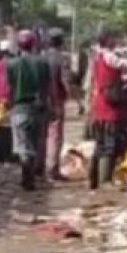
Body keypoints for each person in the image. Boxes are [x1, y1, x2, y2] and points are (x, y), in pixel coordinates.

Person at [89, 32, 127, 190]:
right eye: (112, 38)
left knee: (100, 145)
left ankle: (93, 179)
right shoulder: (110, 57)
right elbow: (124, 64)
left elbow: (121, 55)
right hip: (109, 109)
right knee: (109, 146)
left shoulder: (98, 56)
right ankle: (105, 181)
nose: (115, 40)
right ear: (107, 41)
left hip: (99, 107)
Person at [6, 30, 50, 191]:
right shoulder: (43, 63)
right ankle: (31, 176)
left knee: (23, 146)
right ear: (34, 44)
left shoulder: (11, 64)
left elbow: (8, 89)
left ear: (18, 44)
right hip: (38, 110)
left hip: (19, 109)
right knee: (34, 145)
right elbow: (48, 88)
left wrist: (6, 107)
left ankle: (27, 179)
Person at [43, 29, 75, 180]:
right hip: (56, 101)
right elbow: (65, 80)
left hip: (41, 100)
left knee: (42, 135)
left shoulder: (41, 57)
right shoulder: (62, 58)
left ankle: (39, 168)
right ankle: (52, 169)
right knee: (55, 136)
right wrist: (75, 98)